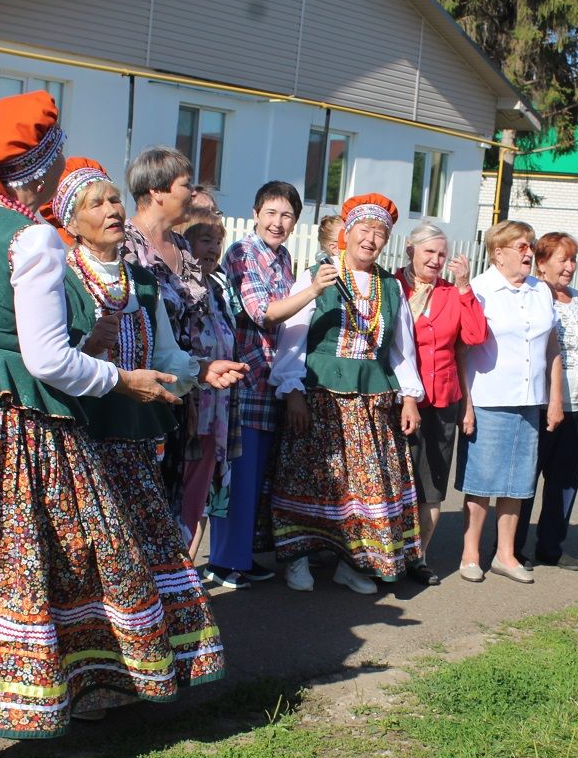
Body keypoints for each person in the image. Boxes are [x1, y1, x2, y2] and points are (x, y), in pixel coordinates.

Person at [0, 92, 208, 758]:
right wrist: (126, 382)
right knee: (16, 568)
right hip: (9, 420)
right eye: (58, 152)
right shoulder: (32, 238)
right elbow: (46, 358)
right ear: (40, 169)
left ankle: (70, 691)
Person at [52, 163, 248, 716]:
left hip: (134, 446)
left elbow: (165, 356)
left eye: (115, 200)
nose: (113, 210)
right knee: (92, 564)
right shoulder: (62, 274)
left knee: (145, 558)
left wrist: (202, 370)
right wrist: (91, 341)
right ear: (71, 222)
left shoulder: (139, 280)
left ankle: (134, 677)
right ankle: (86, 684)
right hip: (79, 442)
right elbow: (43, 358)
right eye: (97, 204)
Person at [269, 193, 425, 592]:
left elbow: (401, 348)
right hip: (320, 396)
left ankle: (352, 562)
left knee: (363, 486)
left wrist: (409, 397)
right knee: (313, 477)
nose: (371, 240)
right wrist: (292, 392)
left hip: (371, 401)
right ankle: (298, 558)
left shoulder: (389, 287)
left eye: (380, 234)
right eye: (365, 230)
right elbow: (292, 339)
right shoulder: (317, 275)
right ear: (347, 232)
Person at [213, 182, 340, 589]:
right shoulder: (242, 253)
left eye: (286, 215)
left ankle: (242, 557)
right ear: (255, 213)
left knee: (256, 478)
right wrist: (315, 289)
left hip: (272, 380)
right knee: (239, 473)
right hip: (244, 379)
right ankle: (223, 561)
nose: (277, 222)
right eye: (270, 212)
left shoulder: (283, 257)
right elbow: (264, 313)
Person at [456, 220, 564, 585]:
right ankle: (470, 552)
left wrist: (554, 399)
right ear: (498, 253)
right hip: (489, 397)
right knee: (482, 482)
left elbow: (552, 347)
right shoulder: (481, 290)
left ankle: (505, 554)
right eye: (521, 246)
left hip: (529, 400)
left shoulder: (540, 291)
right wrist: (466, 405)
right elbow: (463, 351)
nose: (529, 252)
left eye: (530, 245)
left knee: (518, 482)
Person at [121, 147, 215, 547]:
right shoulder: (124, 243)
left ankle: (170, 600)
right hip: (138, 394)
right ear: (157, 190)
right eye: (185, 185)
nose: (192, 195)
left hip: (184, 391)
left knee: (173, 502)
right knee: (137, 507)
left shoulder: (183, 246)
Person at [395, 222, 487, 585]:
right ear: (410, 251)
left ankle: (418, 558)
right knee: (394, 482)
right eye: (429, 252)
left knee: (431, 483)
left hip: (443, 399)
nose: (435, 260)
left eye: (441, 254)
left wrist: (464, 288)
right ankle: (381, 555)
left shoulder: (452, 292)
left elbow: (476, 335)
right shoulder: (393, 286)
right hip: (399, 400)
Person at [513, 232, 578, 571]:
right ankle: (512, 547)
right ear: (542, 263)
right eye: (563, 259)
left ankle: (551, 545)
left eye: (573, 260)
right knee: (528, 477)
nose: (570, 267)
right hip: (542, 402)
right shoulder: (532, 296)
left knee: (565, 478)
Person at [179, 211, 240, 562]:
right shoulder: (178, 286)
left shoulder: (217, 286)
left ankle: (187, 573)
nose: (214, 249)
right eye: (206, 240)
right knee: (178, 494)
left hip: (216, 411)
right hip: (187, 407)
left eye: (218, 241)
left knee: (200, 496)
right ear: (187, 243)